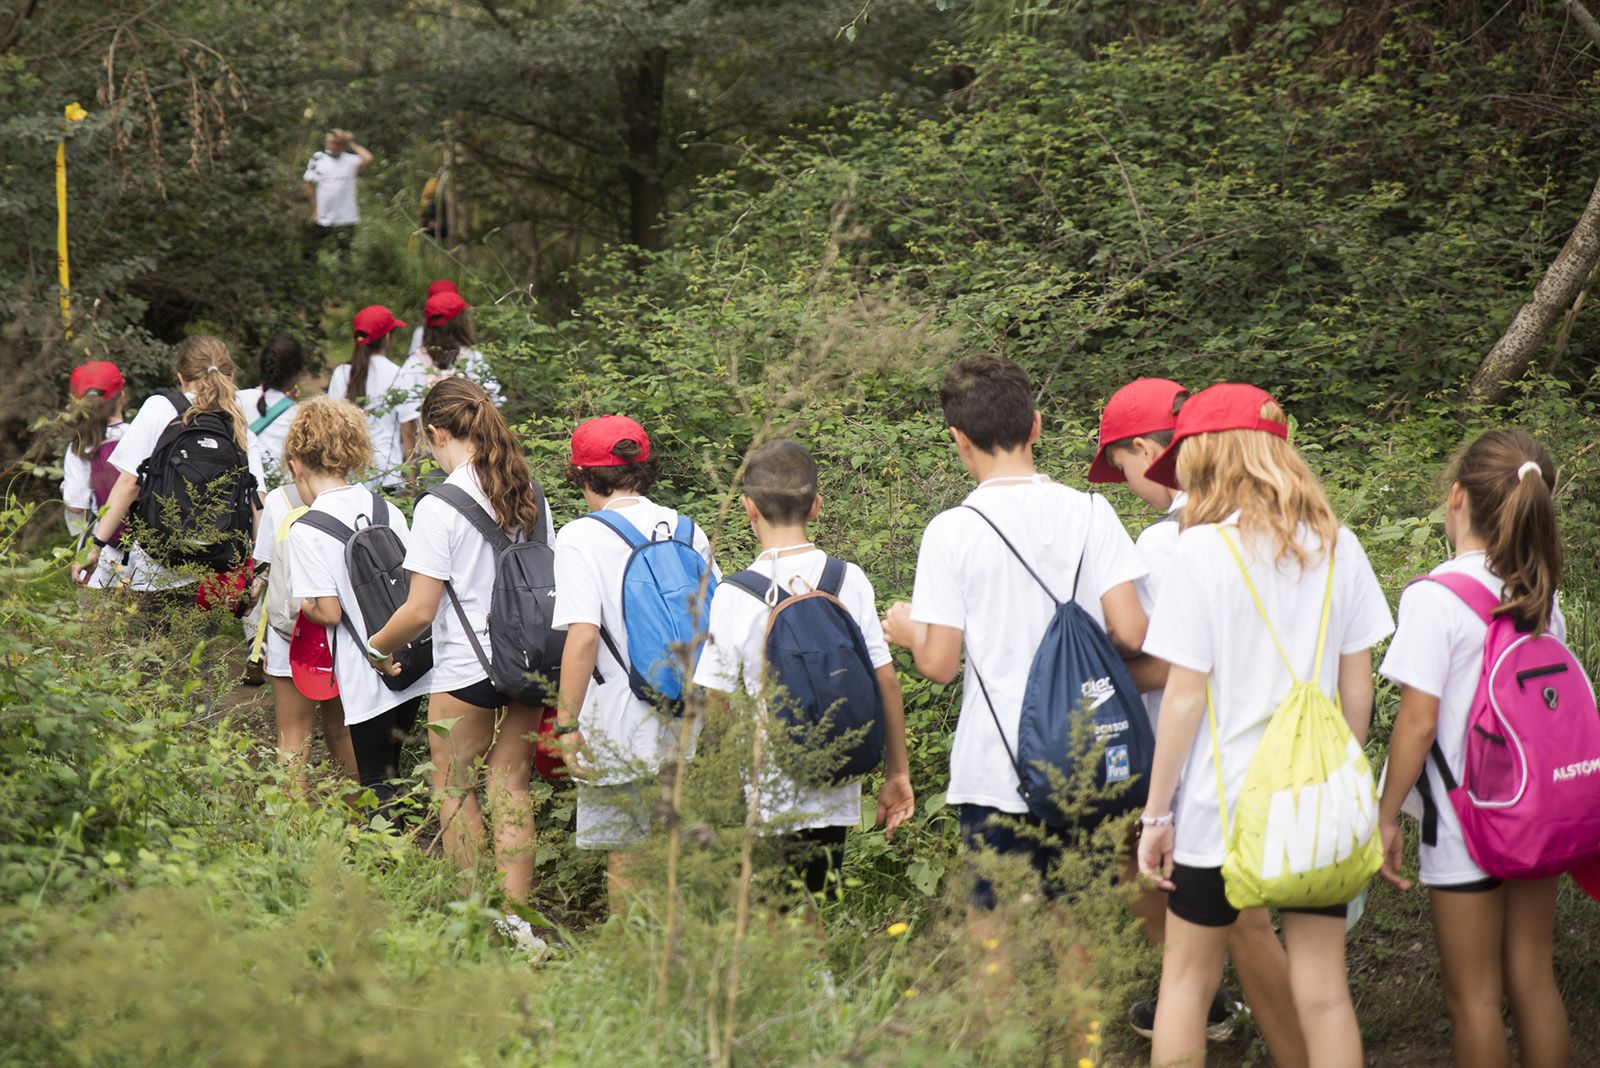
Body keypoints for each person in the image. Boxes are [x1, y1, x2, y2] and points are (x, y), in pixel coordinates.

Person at [1134, 383, 1394, 1068]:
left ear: (1209, 456)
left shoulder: (1199, 554)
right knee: (1327, 994)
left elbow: (1184, 699)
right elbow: (1358, 686)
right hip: (1316, 808)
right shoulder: (1341, 545)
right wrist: (1338, 778)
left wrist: (1156, 816)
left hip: (1221, 815)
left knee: (1186, 986)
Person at [882, 354, 1150, 915]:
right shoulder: (1093, 512)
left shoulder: (952, 530)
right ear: (1035, 425)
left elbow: (940, 665)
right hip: (1084, 760)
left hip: (995, 766)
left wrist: (909, 632)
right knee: (1076, 929)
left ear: (958, 438)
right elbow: (1130, 630)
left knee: (993, 932)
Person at [1091, 378, 1302, 1056]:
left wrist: (1096, 672)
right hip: (1273, 754)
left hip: (1194, 766)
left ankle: (1276, 1039)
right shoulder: (1284, 529)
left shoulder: (1168, 539)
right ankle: (1223, 1008)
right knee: (1234, 923)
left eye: (1127, 469)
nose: (1131, 484)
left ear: (1154, 449)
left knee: (1242, 928)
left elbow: (1176, 670)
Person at [1376, 430, 1571, 1068]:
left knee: (1476, 999)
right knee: (1534, 979)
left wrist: (1384, 815)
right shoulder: (1543, 599)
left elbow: (1417, 724)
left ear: (1456, 497)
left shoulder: (1433, 599)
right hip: (1535, 813)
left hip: (1466, 827)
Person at [362, 377, 549, 950]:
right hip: (530, 660)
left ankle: (476, 916)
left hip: (467, 668)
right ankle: (519, 922)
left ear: (437, 432)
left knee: (453, 784)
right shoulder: (528, 490)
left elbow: (420, 610)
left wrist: (377, 646)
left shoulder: (440, 504)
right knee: (510, 783)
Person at [693, 439, 915, 916]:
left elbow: (718, 702)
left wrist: (719, 781)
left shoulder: (735, 594)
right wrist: (896, 772)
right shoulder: (847, 578)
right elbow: (886, 683)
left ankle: (807, 989)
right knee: (809, 905)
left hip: (768, 784)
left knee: (776, 914)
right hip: (836, 776)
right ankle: (819, 986)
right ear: (816, 505)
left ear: (748, 507)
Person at [551, 414, 717, 914]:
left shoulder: (580, 537)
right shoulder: (689, 530)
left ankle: (632, 964)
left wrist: (565, 723)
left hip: (617, 721)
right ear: (646, 468)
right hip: (684, 712)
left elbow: (582, 637)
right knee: (670, 849)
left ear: (581, 475)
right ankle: (673, 955)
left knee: (625, 854)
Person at [286, 397, 432, 812]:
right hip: (408, 658)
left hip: (365, 669)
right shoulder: (384, 507)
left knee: (373, 780)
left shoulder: (306, 528)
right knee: (393, 767)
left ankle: (387, 863)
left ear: (297, 462)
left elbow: (328, 611)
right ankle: (403, 851)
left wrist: (306, 604)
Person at [71, 337, 266, 598]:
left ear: (181, 376)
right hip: (214, 574)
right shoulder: (237, 424)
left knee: (146, 638)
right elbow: (257, 502)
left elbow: (129, 484)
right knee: (201, 640)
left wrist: (95, 547)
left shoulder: (160, 408)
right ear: (229, 374)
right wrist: (260, 573)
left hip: (155, 568)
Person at [248, 468, 357, 787]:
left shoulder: (280, 500)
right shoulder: (366, 501)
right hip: (345, 636)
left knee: (293, 737)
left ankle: (290, 830)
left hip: (290, 633)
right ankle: (358, 827)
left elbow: (265, 567)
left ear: (296, 459)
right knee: (343, 732)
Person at [397, 287, 503, 466]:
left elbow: (407, 426)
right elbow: (493, 409)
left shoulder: (414, 365)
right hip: (474, 458)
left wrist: (410, 478)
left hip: (429, 460)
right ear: (459, 323)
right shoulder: (473, 360)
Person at [61, 361, 127, 588]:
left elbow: (76, 503)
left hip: (97, 554)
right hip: (142, 554)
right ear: (123, 396)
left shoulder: (81, 446)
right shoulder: (138, 436)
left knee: (95, 621)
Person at [328, 306, 409, 492]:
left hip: (350, 475)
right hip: (389, 474)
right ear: (388, 337)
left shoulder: (341, 374)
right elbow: (408, 429)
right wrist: (411, 476)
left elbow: (332, 425)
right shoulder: (399, 374)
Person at [237, 335, 306, 488]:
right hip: (280, 496)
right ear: (297, 375)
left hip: (240, 493)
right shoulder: (300, 416)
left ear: (260, 367)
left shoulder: (236, 400)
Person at [302, 128, 372, 257]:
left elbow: (368, 158)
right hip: (323, 214)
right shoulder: (319, 158)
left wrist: (350, 142)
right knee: (309, 249)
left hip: (346, 217)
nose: (334, 146)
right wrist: (314, 209)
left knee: (345, 252)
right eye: (331, 142)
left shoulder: (351, 160)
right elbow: (308, 182)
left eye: (337, 143)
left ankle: (343, 274)